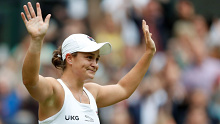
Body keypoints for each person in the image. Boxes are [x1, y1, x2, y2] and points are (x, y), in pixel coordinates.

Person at [21, 2, 156, 124]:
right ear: (69, 59)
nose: (95, 64)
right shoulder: (55, 89)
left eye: (96, 59)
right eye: (89, 57)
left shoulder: (92, 92)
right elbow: (30, 81)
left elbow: (124, 89)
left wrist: (148, 54)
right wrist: (37, 40)